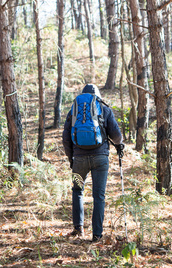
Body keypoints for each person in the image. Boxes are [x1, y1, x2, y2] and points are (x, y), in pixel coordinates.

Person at [62, 83, 124, 242]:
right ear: (97, 96)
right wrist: (119, 145)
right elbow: (116, 135)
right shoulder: (104, 109)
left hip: (79, 160)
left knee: (77, 190)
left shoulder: (73, 111)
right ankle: (97, 235)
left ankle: (78, 229)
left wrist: (71, 159)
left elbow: (66, 139)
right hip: (100, 160)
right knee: (99, 196)